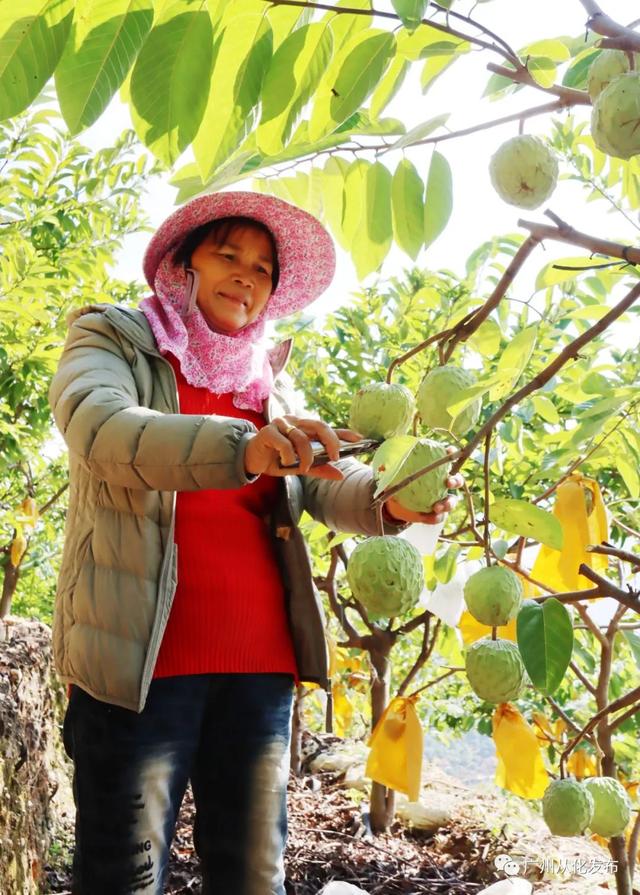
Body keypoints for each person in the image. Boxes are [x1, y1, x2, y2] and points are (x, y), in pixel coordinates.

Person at [48, 191, 462, 895]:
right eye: (229, 255)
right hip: (141, 669)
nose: (247, 275)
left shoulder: (265, 382)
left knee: (252, 879)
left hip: (259, 674)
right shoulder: (115, 339)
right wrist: (247, 447)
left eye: (264, 268)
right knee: (123, 878)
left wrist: (390, 495)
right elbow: (101, 428)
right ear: (183, 264)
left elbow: (319, 481)